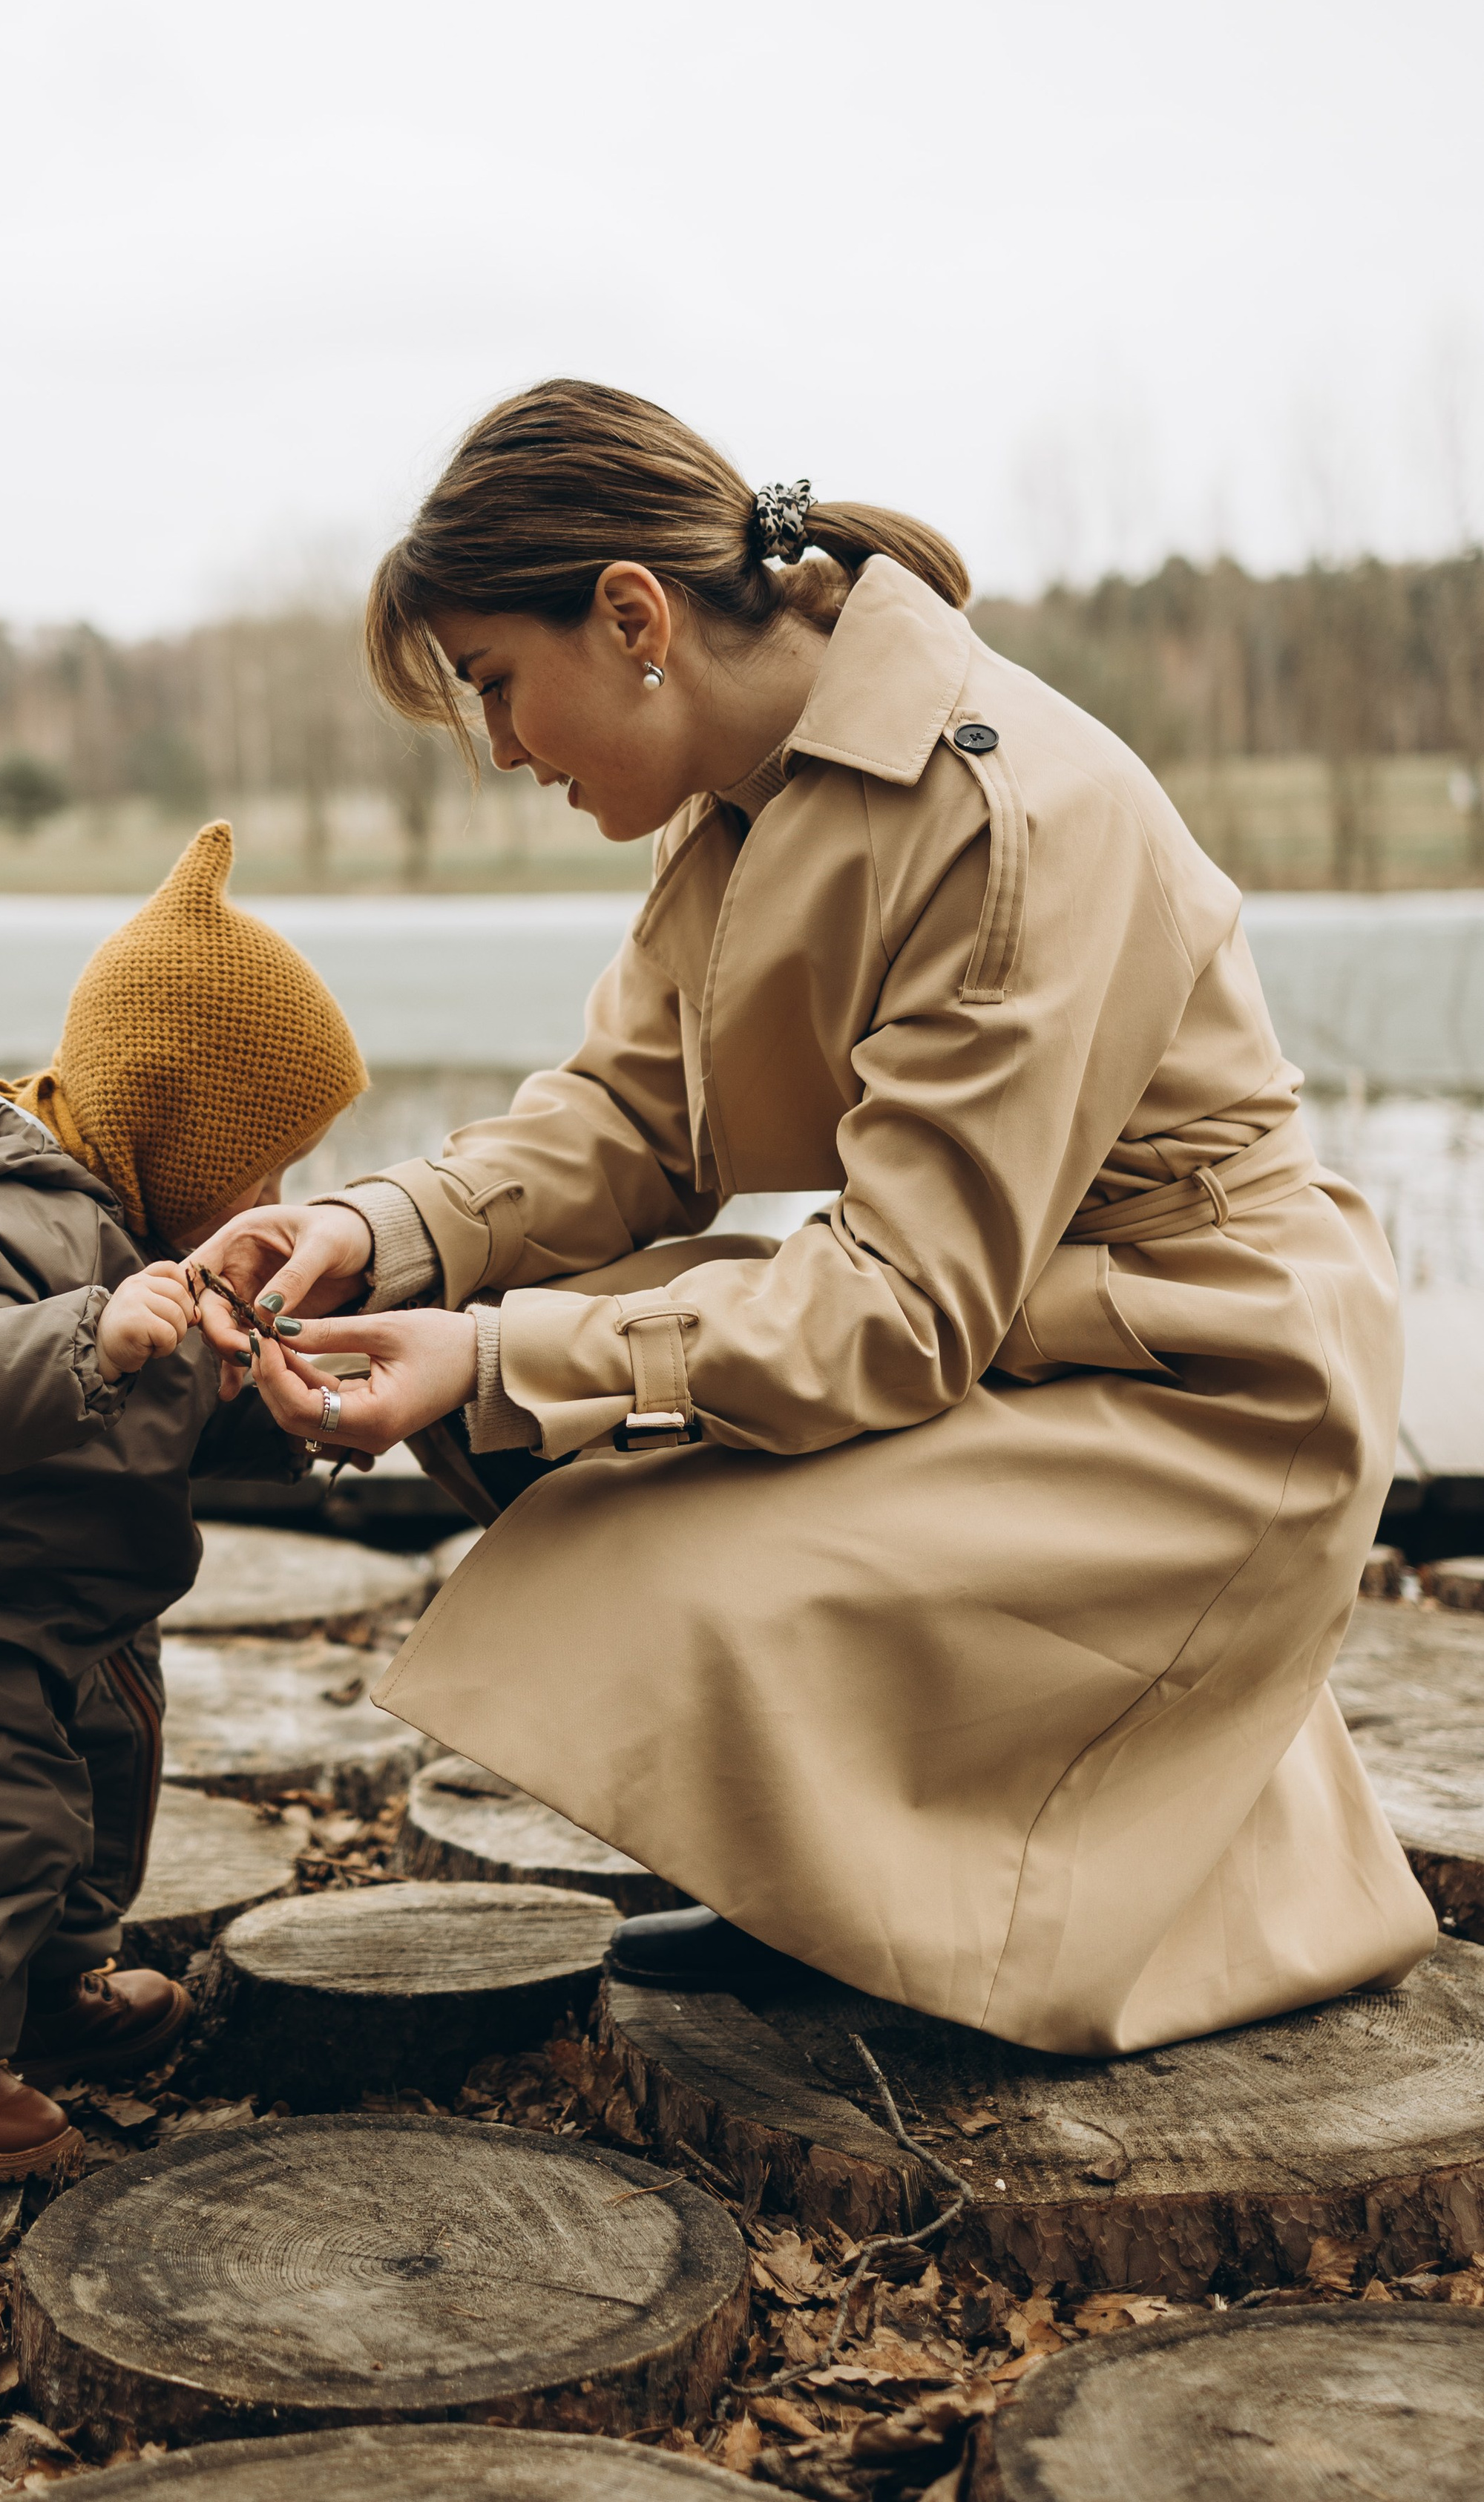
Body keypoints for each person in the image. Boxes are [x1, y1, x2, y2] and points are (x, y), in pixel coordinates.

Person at [190, 377, 1434, 2060]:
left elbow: (900, 1313)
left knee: (630, 1520)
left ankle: (980, 1913)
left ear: (630, 616)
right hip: (1025, 1323)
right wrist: (378, 1232)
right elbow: (632, 1120)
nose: (496, 751)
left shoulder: (1001, 813)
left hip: (1200, 1381)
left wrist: (490, 1354)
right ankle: (861, 1892)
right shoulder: (748, 790)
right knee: (581, 1400)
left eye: (495, 684)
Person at [0, 822, 367, 2181]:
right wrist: (92, 1336)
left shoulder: (136, 1237)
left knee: (101, 1789)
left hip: (58, 1600)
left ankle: (41, 2000)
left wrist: (283, 1422)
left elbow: (147, 1424)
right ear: (174, 1118)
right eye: (262, 1164)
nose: (273, 1200)